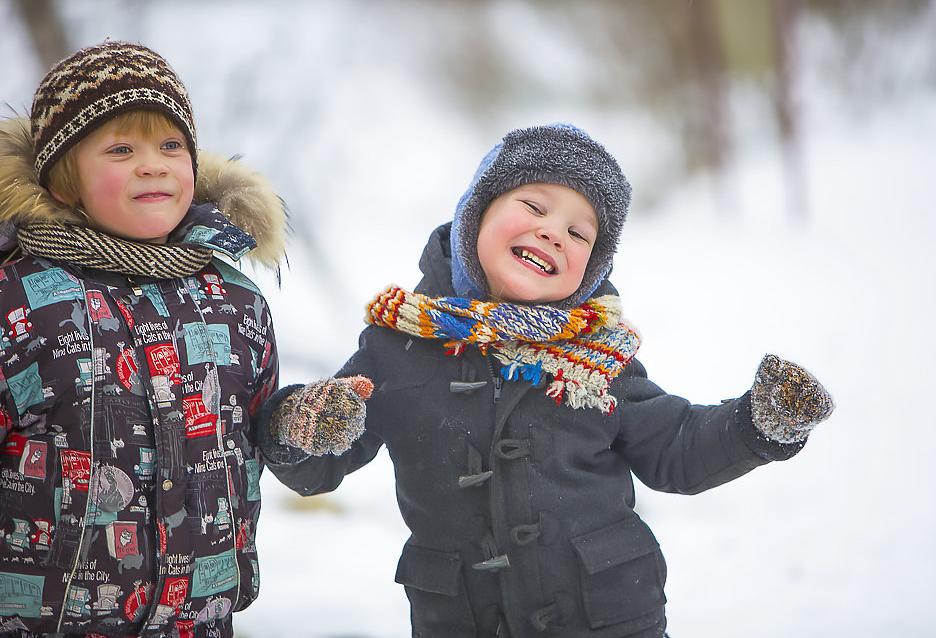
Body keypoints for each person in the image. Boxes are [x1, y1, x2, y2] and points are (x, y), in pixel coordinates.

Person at [255, 124, 835, 637]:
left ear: (592, 272)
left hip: (605, 616)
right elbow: (319, 462)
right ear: (474, 216)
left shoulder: (597, 359)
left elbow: (676, 447)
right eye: (534, 205)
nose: (555, 232)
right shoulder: (401, 344)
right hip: (461, 617)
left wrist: (759, 424)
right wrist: (305, 427)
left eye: (580, 233)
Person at [0, 40, 288, 637]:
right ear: (63, 182)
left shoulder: (234, 301)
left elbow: (257, 431)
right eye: (121, 149)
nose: (153, 164)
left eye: (171, 145)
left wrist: (297, 425)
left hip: (196, 619)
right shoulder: (19, 299)